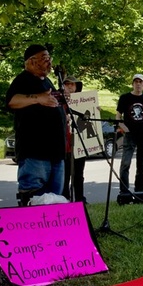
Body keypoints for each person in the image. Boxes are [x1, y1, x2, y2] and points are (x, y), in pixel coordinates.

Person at [5, 44, 67, 206]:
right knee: (34, 200)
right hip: (35, 153)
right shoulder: (23, 80)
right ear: (32, 61)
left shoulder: (46, 81)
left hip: (56, 153)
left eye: (49, 59)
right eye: (45, 58)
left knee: (54, 202)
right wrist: (38, 98)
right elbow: (12, 101)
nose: (49, 63)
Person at [116, 73, 143, 194]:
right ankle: (124, 191)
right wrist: (123, 127)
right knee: (125, 163)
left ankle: (139, 190)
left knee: (142, 164)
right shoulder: (125, 98)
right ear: (133, 84)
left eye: (140, 82)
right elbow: (118, 116)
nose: (138, 84)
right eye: (136, 82)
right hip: (130, 135)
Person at [61, 75, 88, 203]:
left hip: (79, 143)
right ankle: (64, 198)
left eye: (72, 84)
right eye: (67, 84)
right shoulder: (58, 102)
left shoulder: (84, 103)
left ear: (77, 87)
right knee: (64, 174)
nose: (69, 87)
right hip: (64, 144)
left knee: (78, 173)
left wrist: (94, 111)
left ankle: (79, 198)